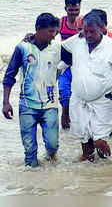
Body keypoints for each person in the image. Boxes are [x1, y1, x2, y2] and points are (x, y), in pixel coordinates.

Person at [61, 12, 112, 161]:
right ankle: (89, 177)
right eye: (86, 31)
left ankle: (110, 167)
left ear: (101, 30)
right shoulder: (77, 41)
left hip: (103, 101)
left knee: (99, 141)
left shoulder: (111, 46)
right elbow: (57, 48)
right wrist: (32, 39)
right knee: (85, 141)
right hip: (79, 99)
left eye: (92, 32)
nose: (89, 35)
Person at [2, 13, 63, 167]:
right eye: (51, 31)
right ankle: (33, 187)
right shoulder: (23, 47)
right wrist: (6, 102)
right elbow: (10, 75)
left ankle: (50, 173)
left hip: (50, 105)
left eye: (56, 31)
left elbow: (76, 58)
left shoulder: (57, 48)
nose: (54, 35)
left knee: (52, 145)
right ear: (38, 29)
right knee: (29, 152)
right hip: (27, 105)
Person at [59, 0, 83, 130]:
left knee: (79, 96)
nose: (74, 13)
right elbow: (49, 34)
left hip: (80, 64)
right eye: (71, 10)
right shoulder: (60, 22)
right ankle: (65, 118)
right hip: (65, 64)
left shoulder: (84, 22)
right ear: (65, 9)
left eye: (76, 10)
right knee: (64, 93)